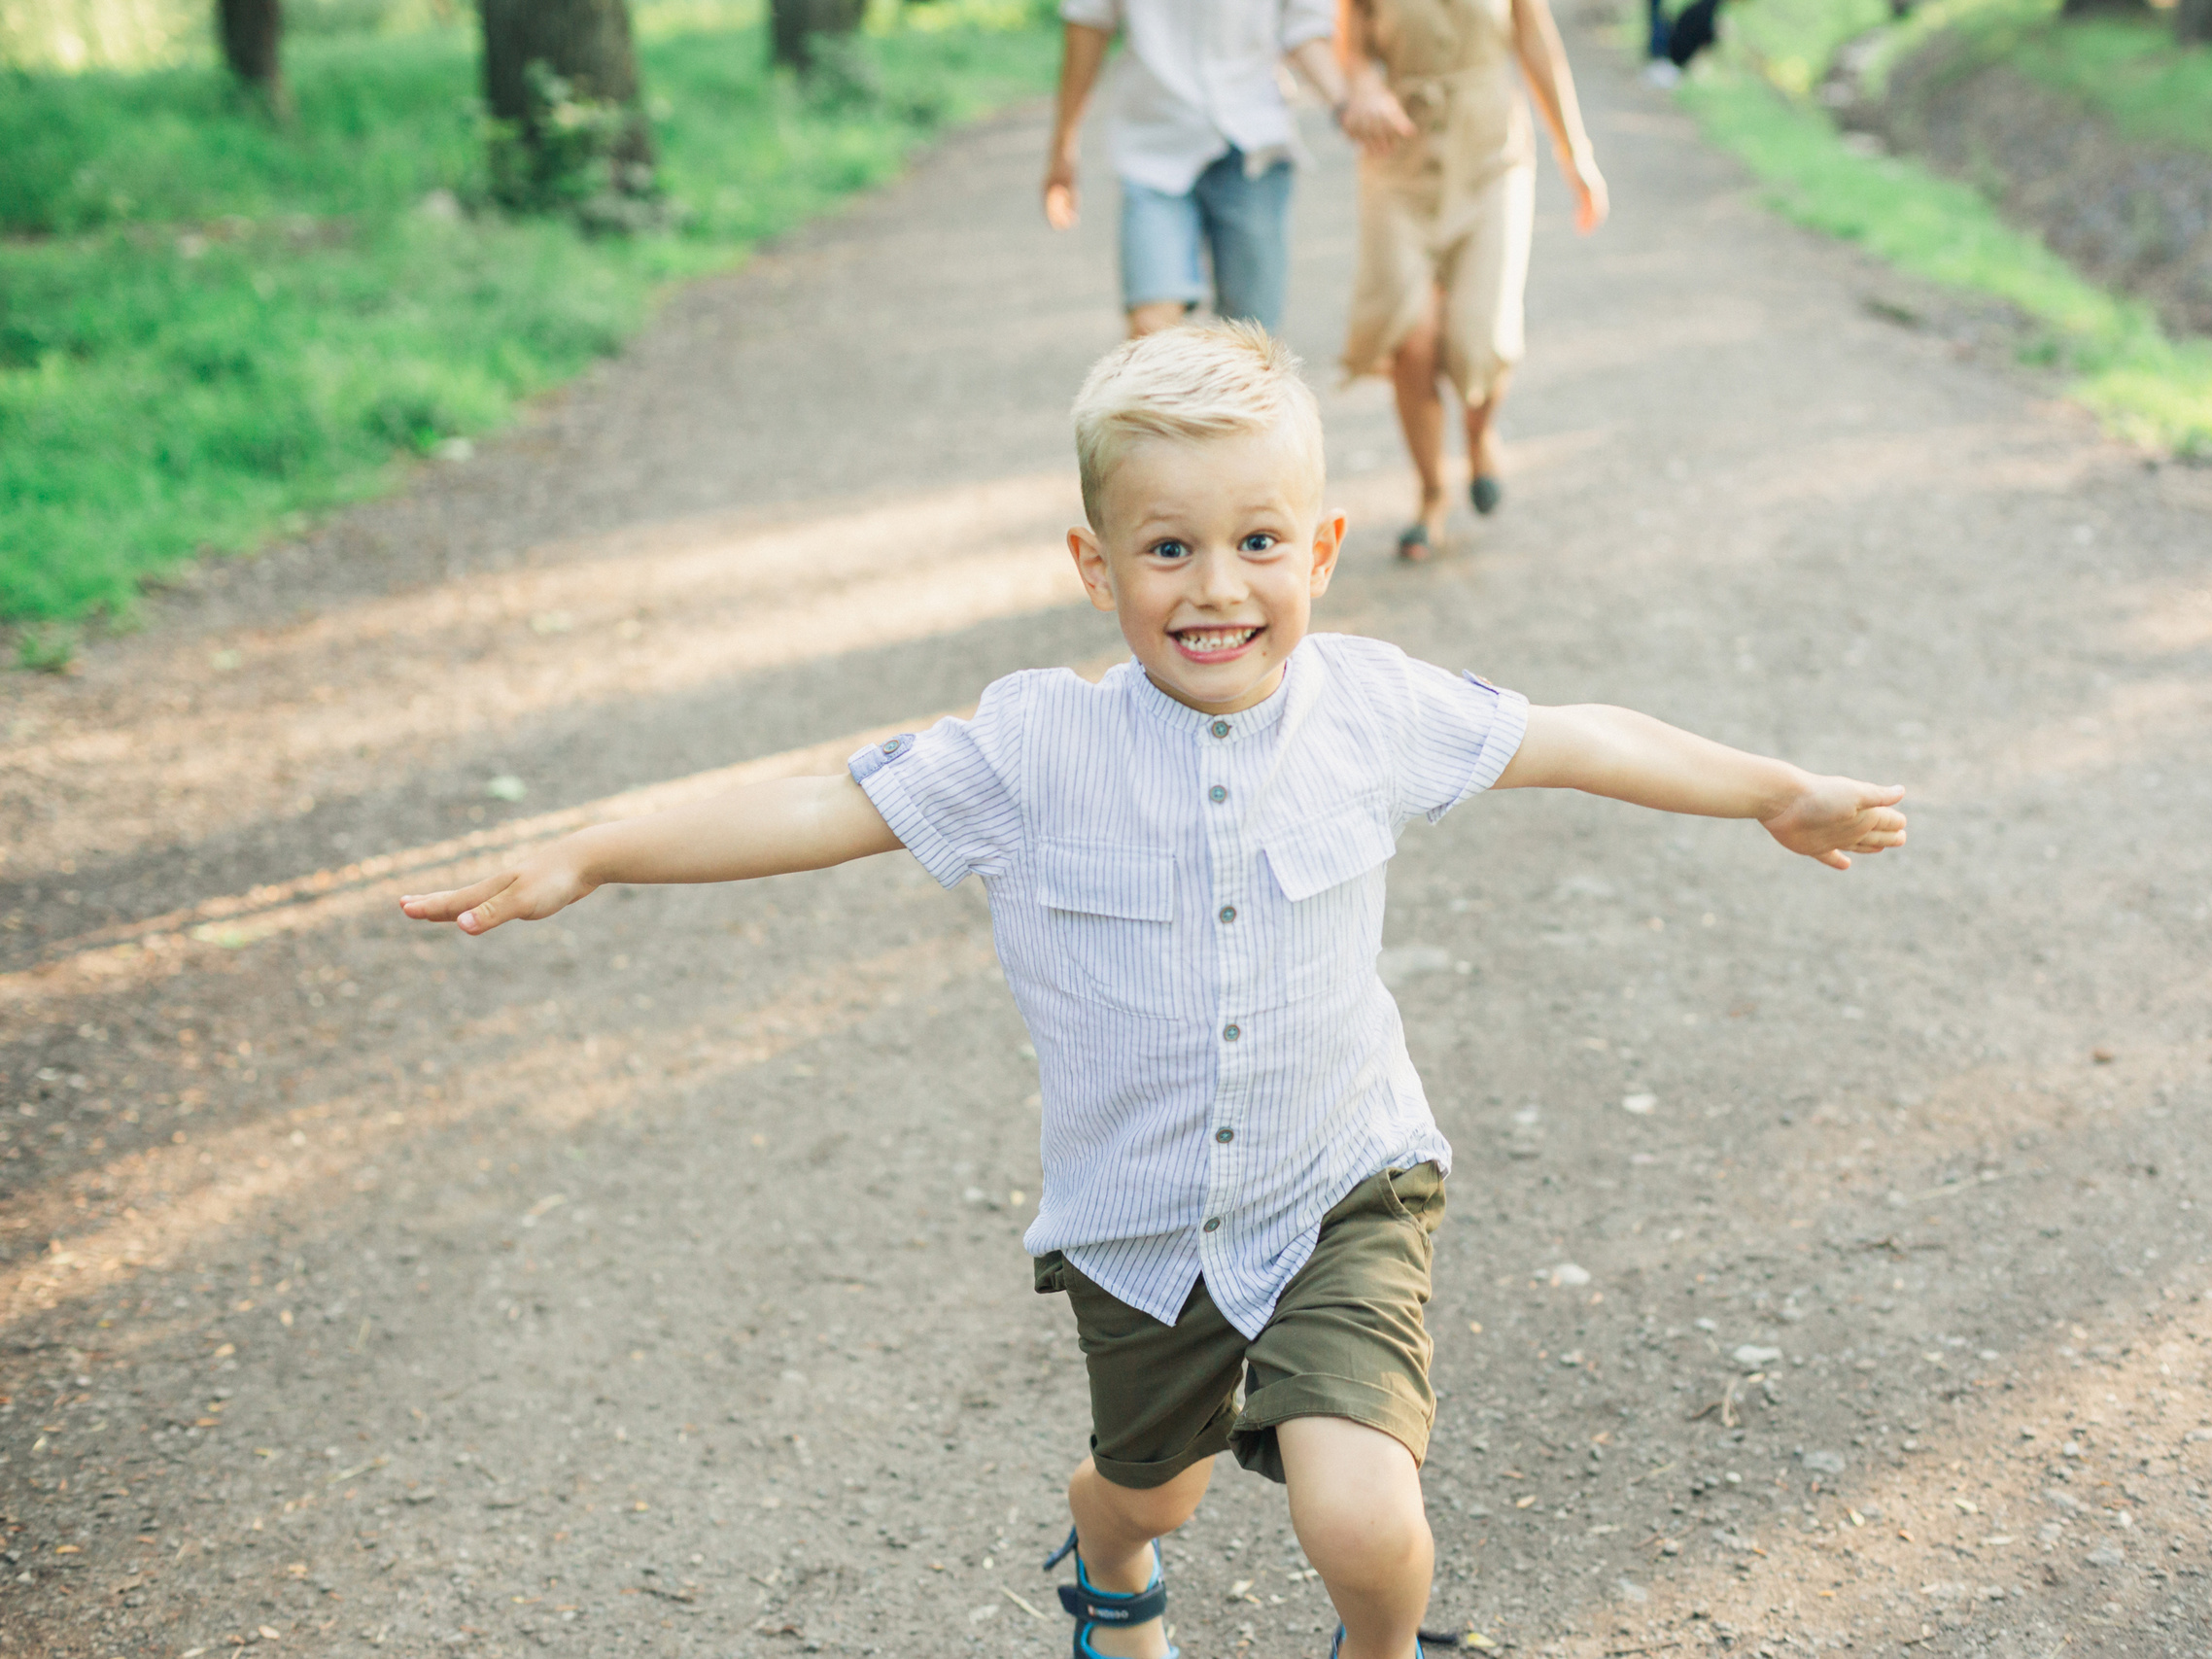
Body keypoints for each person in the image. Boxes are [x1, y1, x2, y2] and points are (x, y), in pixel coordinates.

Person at [400, 325, 1907, 1659]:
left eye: (1258, 542)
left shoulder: (1373, 708)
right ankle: (1110, 1558)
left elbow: (1581, 735)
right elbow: (813, 809)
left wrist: (1774, 789)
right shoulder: (1031, 750)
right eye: (1168, 549)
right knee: (1150, 1483)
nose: (1217, 586)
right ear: (1095, 564)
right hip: (1139, 1224)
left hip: (1343, 1182)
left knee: (1367, 1512)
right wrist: (594, 849)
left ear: (1319, 549)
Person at [1336, 0, 1607, 560]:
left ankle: (1480, 436)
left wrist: (1573, 150)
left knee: (1477, 333)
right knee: (1410, 336)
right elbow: (1352, 51)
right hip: (1399, 161)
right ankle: (1431, 494)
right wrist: (1363, 87)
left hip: (1490, 158)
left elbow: (1536, 43)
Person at [1043, 0, 1351, 338]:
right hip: (1154, 146)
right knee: (1151, 333)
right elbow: (1088, 22)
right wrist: (1064, 144)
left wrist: (1345, 104)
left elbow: (1305, 27)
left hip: (1253, 144)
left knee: (1249, 341)